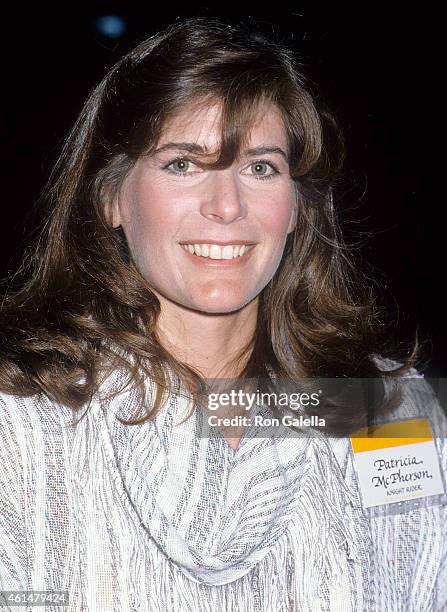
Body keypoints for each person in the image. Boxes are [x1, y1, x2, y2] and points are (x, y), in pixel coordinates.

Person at [0, 16, 446, 612]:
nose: (228, 206)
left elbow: (422, 587)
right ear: (110, 197)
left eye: (261, 167)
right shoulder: (24, 422)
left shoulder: (385, 409)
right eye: (183, 164)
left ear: (295, 209)